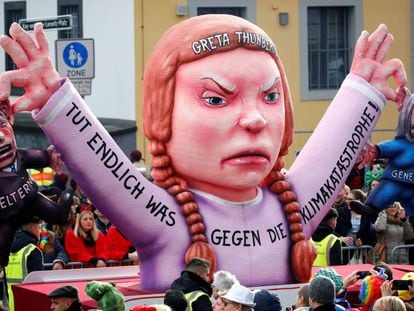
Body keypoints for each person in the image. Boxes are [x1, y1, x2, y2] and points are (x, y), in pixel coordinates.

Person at [0, 16, 406, 290]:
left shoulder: (290, 208)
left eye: (269, 95)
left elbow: (329, 157)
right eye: (215, 99)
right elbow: (108, 168)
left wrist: (363, 91)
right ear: (162, 117)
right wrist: (55, 99)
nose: (254, 120)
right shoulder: (168, 215)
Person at [0, 99, 73, 273]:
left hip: (31, 199)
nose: (1, 137)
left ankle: (61, 209)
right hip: (5, 216)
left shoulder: (20, 156)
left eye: (2, 125)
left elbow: (42, 157)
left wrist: (51, 157)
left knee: (57, 215)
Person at [350, 87, 414, 221]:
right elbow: (390, 147)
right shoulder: (403, 144)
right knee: (385, 191)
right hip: (395, 180)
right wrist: (376, 151)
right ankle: (372, 208)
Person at [5, 217, 44, 310]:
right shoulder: (32, 250)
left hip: (13, 303)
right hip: (30, 303)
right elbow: (38, 282)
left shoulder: (9, 249)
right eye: (39, 228)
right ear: (33, 229)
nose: (41, 232)